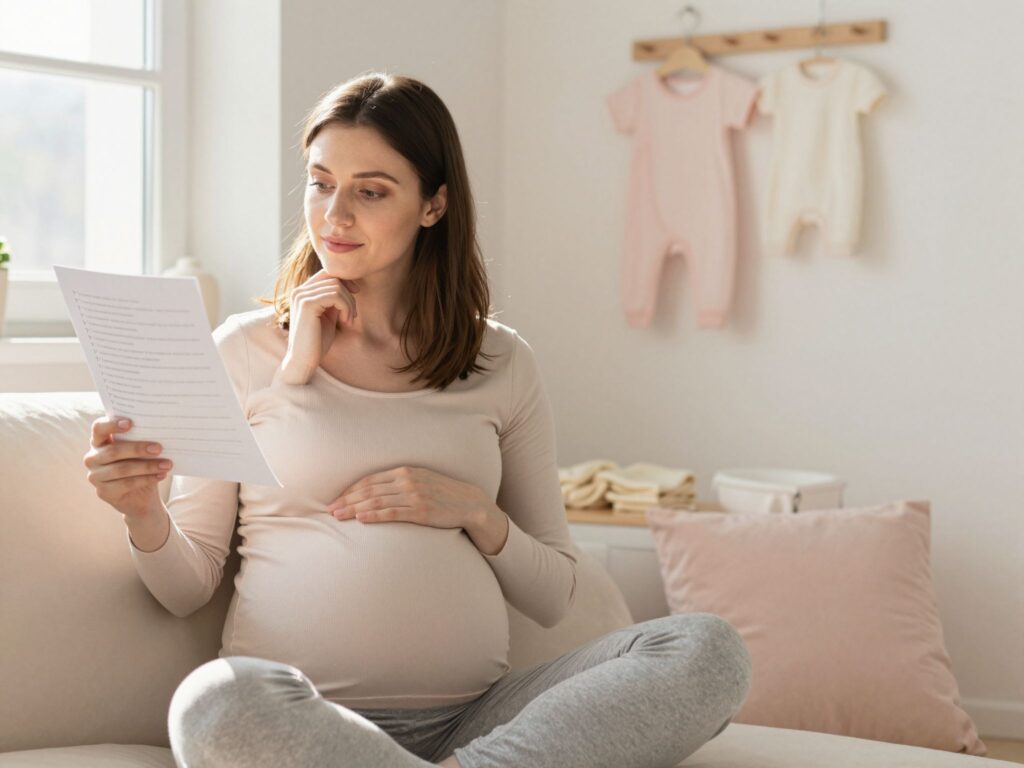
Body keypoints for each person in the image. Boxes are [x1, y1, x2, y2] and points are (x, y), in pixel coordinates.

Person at [83, 72, 752, 768]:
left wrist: (473, 511)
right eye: (320, 182)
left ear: (433, 205)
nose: (334, 215)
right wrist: (141, 513)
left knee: (706, 649)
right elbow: (186, 587)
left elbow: (553, 595)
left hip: (481, 720)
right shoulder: (244, 352)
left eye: (371, 191)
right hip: (305, 720)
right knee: (215, 703)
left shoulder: (500, 361)